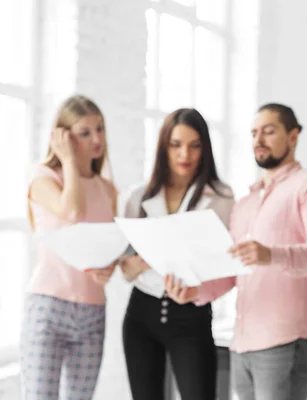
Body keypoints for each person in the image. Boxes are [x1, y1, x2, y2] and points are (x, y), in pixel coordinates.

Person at [224, 103, 307, 400]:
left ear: (293, 136)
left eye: (268, 131)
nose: (258, 139)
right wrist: (193, 289)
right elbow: (233, 269)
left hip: (286, 338)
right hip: (241, 342)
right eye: (253, 133)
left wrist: (271, 255)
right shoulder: (245, 203)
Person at [120, 108, 235, 400]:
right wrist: (151, 255)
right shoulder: (139, 197)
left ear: (205, 149)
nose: (185, 154)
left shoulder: (221, 197)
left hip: (191, 315)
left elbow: (225, 264)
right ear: (164, 148)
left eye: (195, 145)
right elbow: (126, 269)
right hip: (141, 315)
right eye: (176, 144)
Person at [21, 95, 118, 400]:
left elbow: (108, 247)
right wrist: (68, 162)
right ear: (63, 136)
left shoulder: (107, 190)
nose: (97, 138)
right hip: (49, 308)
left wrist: (109, 268)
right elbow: (72, 212)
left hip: (92, 312)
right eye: (85, 132)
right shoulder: (43, 178)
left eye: (99, 129)